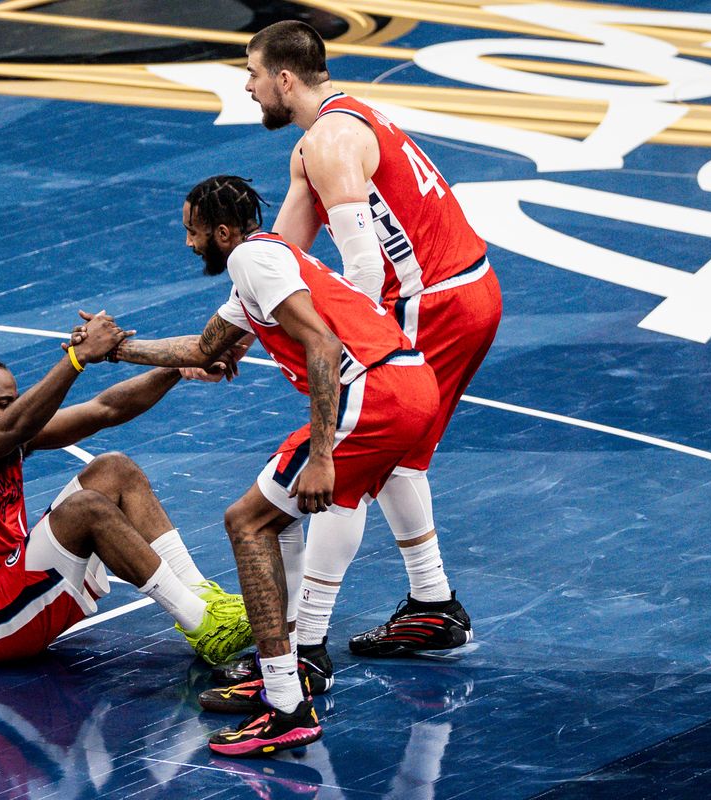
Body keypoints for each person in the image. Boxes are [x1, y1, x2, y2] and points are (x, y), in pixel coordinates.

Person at [112, 175, 440, 757]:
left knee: (248, 522)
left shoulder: (249, 259)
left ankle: (287, 706)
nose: (189, 245)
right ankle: (286, 673)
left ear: (220, 232)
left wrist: (320, 457)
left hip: (375, 393)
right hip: (410, 385)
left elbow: (321, 345)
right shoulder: (271, 261)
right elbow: (203, 350)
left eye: (192, 233)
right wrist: (112, 348)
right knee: (274, 519)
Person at [241, 20, 502, 664]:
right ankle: (432, 605)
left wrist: (336, 346)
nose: (246, 89)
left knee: (348, 465)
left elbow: (360, 270)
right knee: (398, 460)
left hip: (428, 302)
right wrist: (226, 338)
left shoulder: (329, 143)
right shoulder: (328, 134)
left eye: (251, 75)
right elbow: (277, 257)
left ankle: (304, 646)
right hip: (469, 291)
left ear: (284, 78)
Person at [0, 325, 253, 668]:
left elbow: (106, 409)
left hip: (18, 592)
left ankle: (203, 598)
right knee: (85, 508)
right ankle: (202, 625)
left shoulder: (7, 438)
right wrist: (76, 358)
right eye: (4, 404)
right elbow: (15, 425)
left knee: (114, 468)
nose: (13, 410)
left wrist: (177, 369)